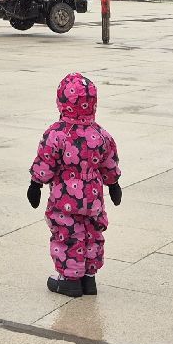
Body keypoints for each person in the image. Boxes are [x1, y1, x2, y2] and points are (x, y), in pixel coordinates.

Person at [28, 73, 122, 297]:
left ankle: (70, 280)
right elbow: (109, 162)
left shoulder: (56, 134)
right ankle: (89, 278)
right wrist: (114, 184)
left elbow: (46, 161)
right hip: (93, 198)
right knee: (92, 233)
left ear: (62, 101)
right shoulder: (101, 134)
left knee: (67, 234)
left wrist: (36, 184)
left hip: (65, 199)